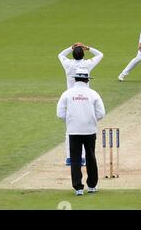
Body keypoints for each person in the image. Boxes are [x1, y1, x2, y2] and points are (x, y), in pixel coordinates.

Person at [56, 68, 105, 196]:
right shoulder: (93, 93)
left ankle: (78, 187)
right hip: (90, 130)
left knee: (75, 159)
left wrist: (72, 121)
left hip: (73, 131)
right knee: (91, 157)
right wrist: (91, 120)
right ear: (87, 79)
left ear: (75, 79)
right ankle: (92, 186)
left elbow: (60, 114)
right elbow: (101, 113)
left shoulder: (67, 93)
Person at [58, 43, 104, 166]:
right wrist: (88, 48)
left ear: (73, 54)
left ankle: (69, 158)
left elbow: (60, 55)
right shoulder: (86, 64)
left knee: (70, 131)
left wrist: (71, 47)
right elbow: (100, 54)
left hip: (70, 98)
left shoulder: (68, 64)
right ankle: (82, 157)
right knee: (85, 129)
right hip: (85, 98)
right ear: (83, 54)